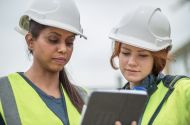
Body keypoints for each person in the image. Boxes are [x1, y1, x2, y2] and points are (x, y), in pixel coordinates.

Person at [0, 0, 88, 125]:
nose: (63, 49)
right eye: (53, 40)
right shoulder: (4, 92)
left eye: (69, 42)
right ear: (30, 41)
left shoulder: (85, 97)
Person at [109, 6, 190, 125]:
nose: (131, 62)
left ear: (157, 57)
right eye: (126, 53)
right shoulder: (111, 104)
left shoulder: (182, 91)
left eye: (142, 55)